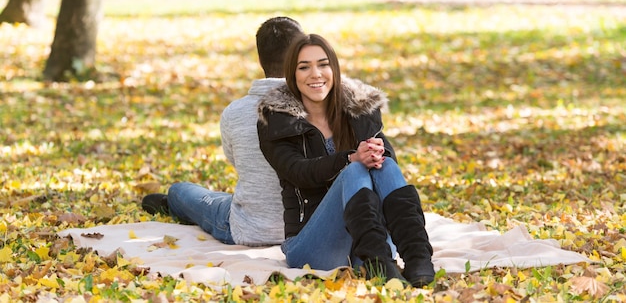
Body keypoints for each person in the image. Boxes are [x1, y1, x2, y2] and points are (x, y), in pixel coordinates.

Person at [256, 33, 435, 287]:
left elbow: (388, 174)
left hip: (366, 242)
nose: (316, 74)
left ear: (334, 69)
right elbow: (297, 171)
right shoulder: (277, 120)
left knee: (386, 164)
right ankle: (377, 266)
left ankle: (418, 258)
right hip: (312, 248)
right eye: (304, 67)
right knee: (354, 170)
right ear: (292, 75)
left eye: (323, 64)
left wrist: (377, 152)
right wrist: (350, 159)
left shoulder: (358, 111)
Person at [141, 16, 305, 246]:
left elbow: (236, 161)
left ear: (260, 60)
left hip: (248, 229)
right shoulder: (320, 108)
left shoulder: (235, 112)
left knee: (182, 191)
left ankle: (173, 202)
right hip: (305, 227)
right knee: (223, 200)